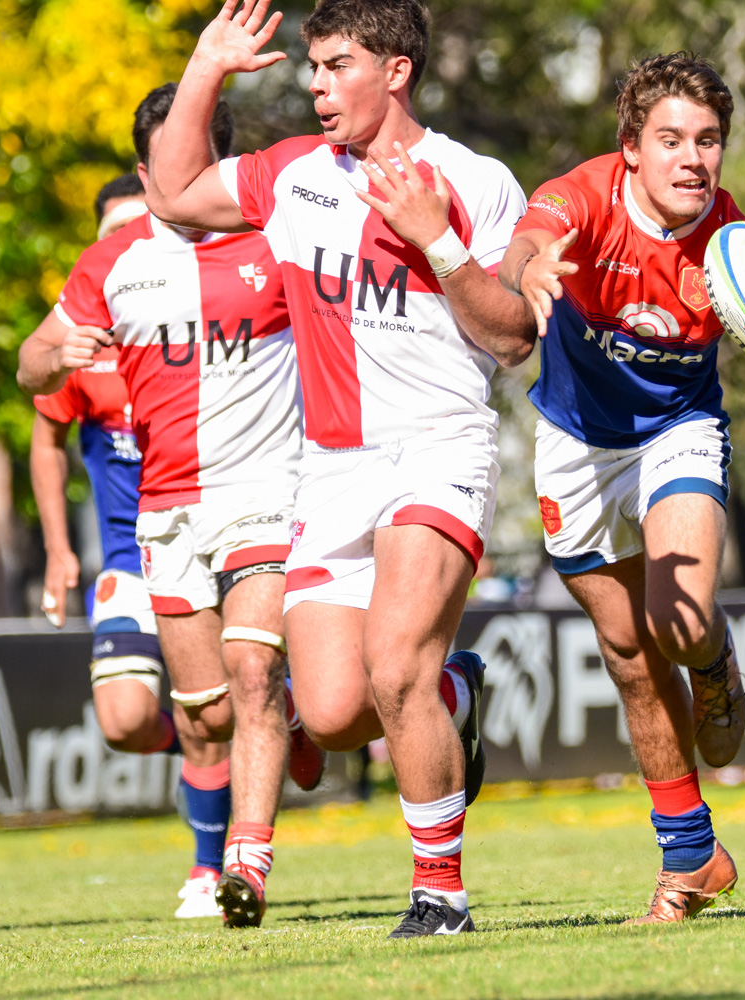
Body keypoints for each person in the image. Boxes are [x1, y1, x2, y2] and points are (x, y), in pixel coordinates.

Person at [397, 52, 745, 924]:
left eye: (708, 141)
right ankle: (691, 861)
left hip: (678, 432)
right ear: (630, 148)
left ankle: (712, 660)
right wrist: (530, 272)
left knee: (679, 614)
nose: (692, 159)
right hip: (573, 446)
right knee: (631, 660)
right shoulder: (584, 195)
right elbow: (530, 241)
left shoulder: (732, 242)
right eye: (671, 139)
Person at [146, 0, 524, 937]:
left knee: (395, 662)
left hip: (438, 447)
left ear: (396, 72)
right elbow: (173, 190)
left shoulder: (475, 181)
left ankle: (441, 894)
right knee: (335, 708)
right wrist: (206, 67)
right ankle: (456, 692)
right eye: (310, 67)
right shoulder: (292, 176)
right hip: (333, 467)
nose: (315, 86)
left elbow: (513, 335)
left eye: (336, 65)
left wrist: (436, 238)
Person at [17, 85, 322, 928]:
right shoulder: (111, 262)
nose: (168, 182)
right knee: (211, 711)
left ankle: (245, 864)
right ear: (146, 170)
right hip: (167, 513)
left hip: (265, 493)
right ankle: (291, 717)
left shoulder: (275, 239)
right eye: (157, 167)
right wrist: (54, 356)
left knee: (254, 670)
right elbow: (28, 365)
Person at [27, 175, 233, 919]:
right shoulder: (83, 339)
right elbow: (46, 439)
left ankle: (209, 869)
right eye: (112, 231)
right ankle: (229, 741)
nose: (126, 243)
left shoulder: (201, 317)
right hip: (125, 557)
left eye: (136, 228)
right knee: (121, 721)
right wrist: (57, 548)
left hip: (207, 539)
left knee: (205, 703)